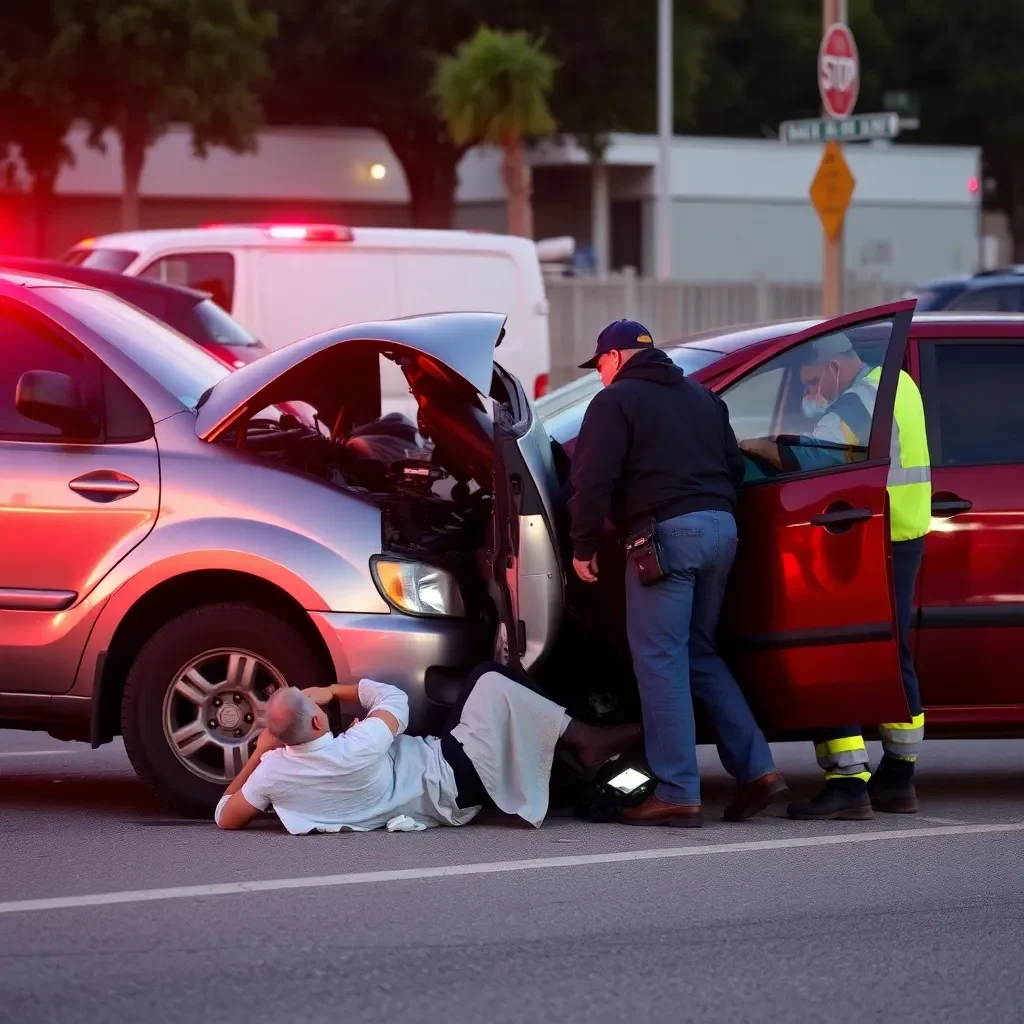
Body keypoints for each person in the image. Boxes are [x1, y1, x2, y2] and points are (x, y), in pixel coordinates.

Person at [568, 319, 785, 828]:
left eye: (599, 364)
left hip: (667, 539)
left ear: (617, 358)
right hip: (721, 531)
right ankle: (758, 770)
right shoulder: (702, 397)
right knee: (699, 652)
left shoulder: (616, 401)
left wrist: (582, 545)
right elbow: (733, 469)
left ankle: (676, 792)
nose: (599, 374)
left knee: (659, 661)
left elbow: (591, 477)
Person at [741, 333, 931, 820]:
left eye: (812, 381)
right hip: (903, 533)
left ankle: (848, 783)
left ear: (832, 367)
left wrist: (759, 447)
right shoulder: (898, 384)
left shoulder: (854, 403)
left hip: (864, 538)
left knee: (830, 650)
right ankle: (899, 776)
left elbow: (814, 460)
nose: (813, 392)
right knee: (891, 653)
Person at [214, 664, 641, 833]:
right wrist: (330, 688)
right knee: (489, 676)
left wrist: (258, 754)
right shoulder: (360, 745)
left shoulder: (273, 773)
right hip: (451, 772)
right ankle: (584, 739)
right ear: (317, 719)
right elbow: (394, 701)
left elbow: (225, 817)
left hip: (439, 791)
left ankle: (574, 742)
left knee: (484, 690)